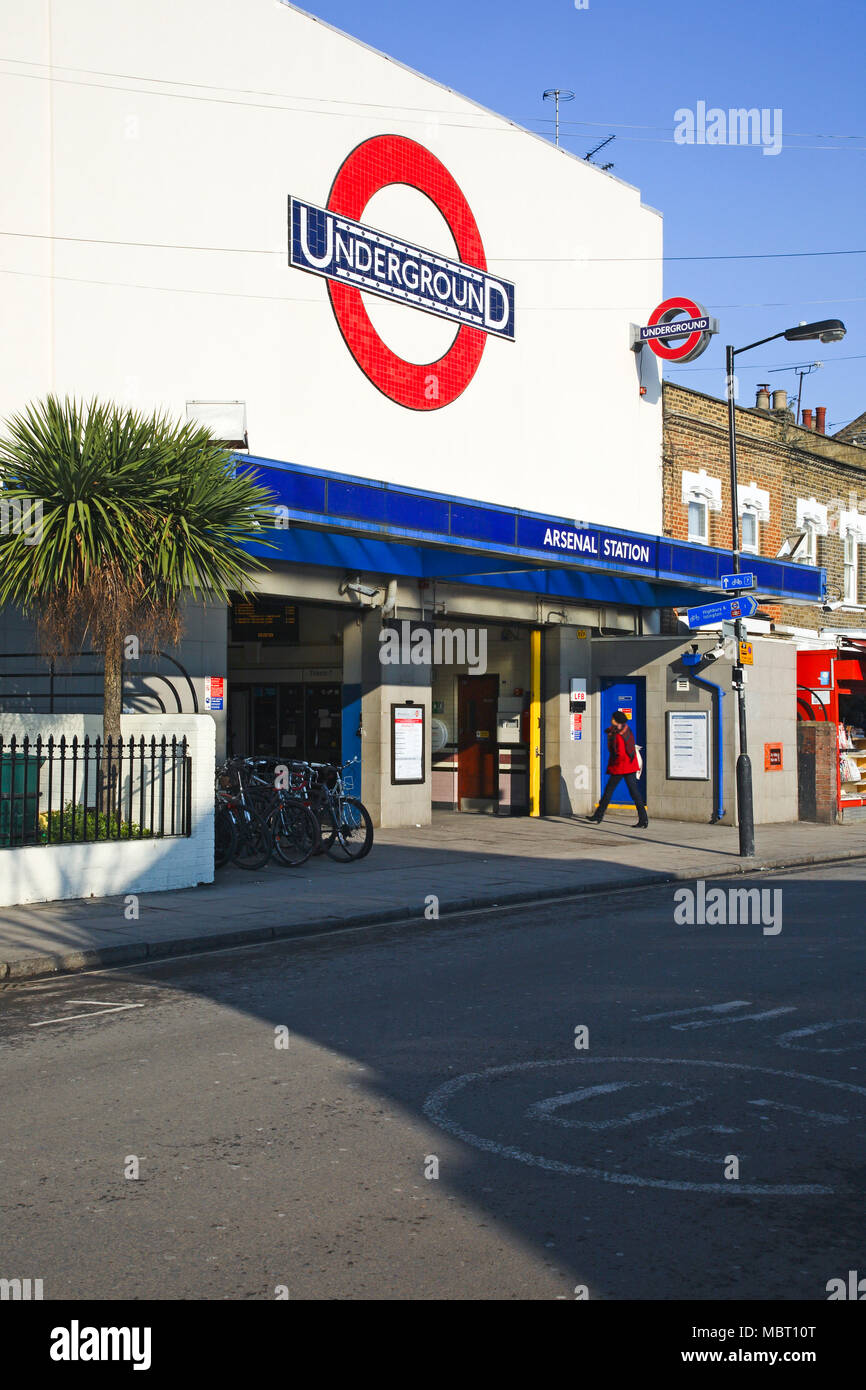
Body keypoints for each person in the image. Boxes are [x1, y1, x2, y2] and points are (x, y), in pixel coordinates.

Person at [587, 710, 648, 828]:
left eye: (613, 718)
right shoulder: (625, 729)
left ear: (616, 720)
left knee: (608, 791)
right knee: (634, 793)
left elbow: (619, 753)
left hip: (621, 767)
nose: (611, 719)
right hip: (629, 765)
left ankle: (598, 815)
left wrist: (614, 765)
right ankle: (643, 819)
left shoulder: (618, 735)